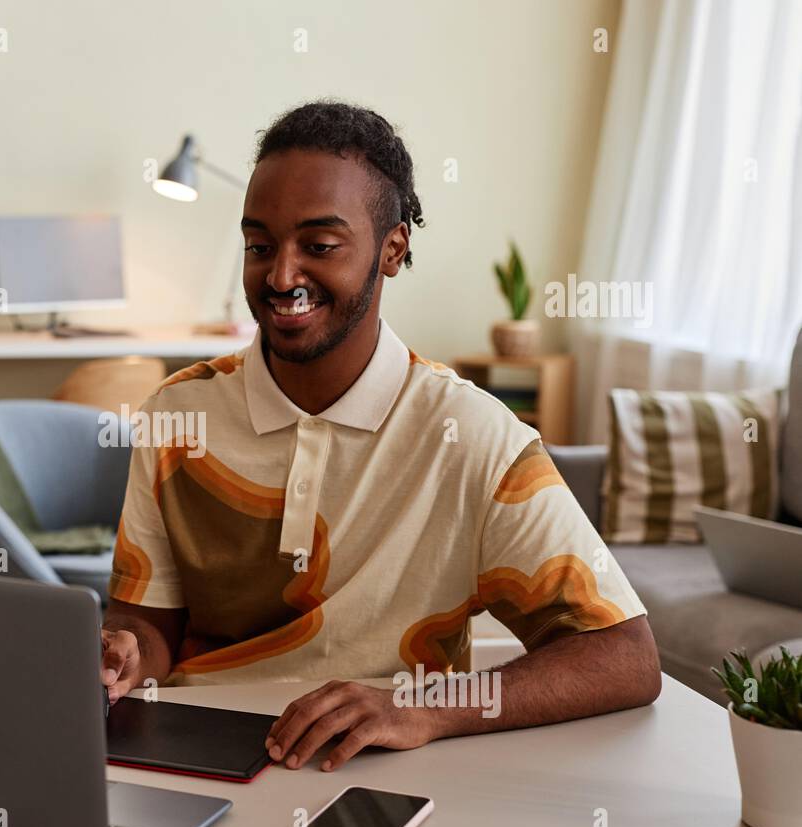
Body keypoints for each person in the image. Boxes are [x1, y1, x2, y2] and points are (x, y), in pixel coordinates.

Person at [100, 100, 660, 772]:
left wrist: (423, 709)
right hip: (196, 760)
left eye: (319, 246)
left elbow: (624, 657)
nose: (281, 277)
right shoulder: (174, 416)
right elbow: (151, 631)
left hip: (385, 776)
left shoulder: (476, 438)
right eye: (259, 246)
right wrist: (124, 654)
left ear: (392, 250)